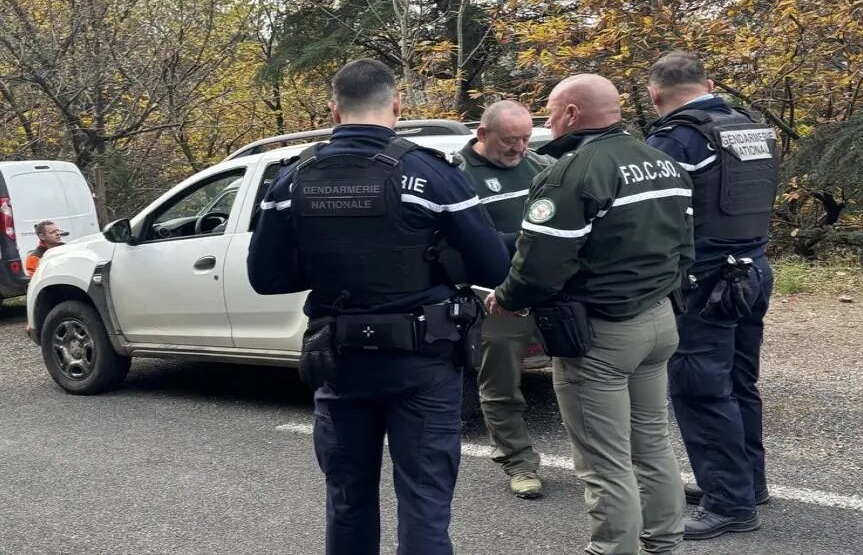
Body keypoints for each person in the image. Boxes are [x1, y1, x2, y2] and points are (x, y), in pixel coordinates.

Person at [247, 58, 509, 555]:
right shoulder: (431, 173)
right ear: (397, 105)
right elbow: (494, 267)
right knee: (425, 501)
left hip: (340, 360)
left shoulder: (292, 179)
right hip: (422, 361)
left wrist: (328, 261)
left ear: (334, 110)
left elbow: (266, 278)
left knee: (348, 500)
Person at [485, 74, 692, 555]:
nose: (549, 121)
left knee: (604, 461)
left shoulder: (572, 174)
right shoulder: (663, 163)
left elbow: (540, 265)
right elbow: (685, 249)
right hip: (659, 320)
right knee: (652, 444)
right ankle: (665, 542)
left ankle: (613, 549)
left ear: (572, 114)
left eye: (551, 111)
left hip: (600, 334)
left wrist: (508, 298)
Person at [645, 51, 779, 540]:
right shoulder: (753, 129)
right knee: (740, 381)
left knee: (701, 387)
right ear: (710, 83)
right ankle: (747, 484)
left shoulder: (674, 140)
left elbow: (652, 215)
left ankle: (728, 503)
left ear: (655, 95)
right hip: (754, 269)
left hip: (706, 281)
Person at [457, 100, 552, 499]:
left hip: (552, 290)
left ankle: (600, 462)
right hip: (497, 298)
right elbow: (475, 242)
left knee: (582, 377)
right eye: (510, 140)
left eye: (526, 139)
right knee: (501, 386)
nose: (520, 148)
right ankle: (518, 462)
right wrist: (537, 239)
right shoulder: (459, 174)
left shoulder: (541, 165)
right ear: (483, 134)